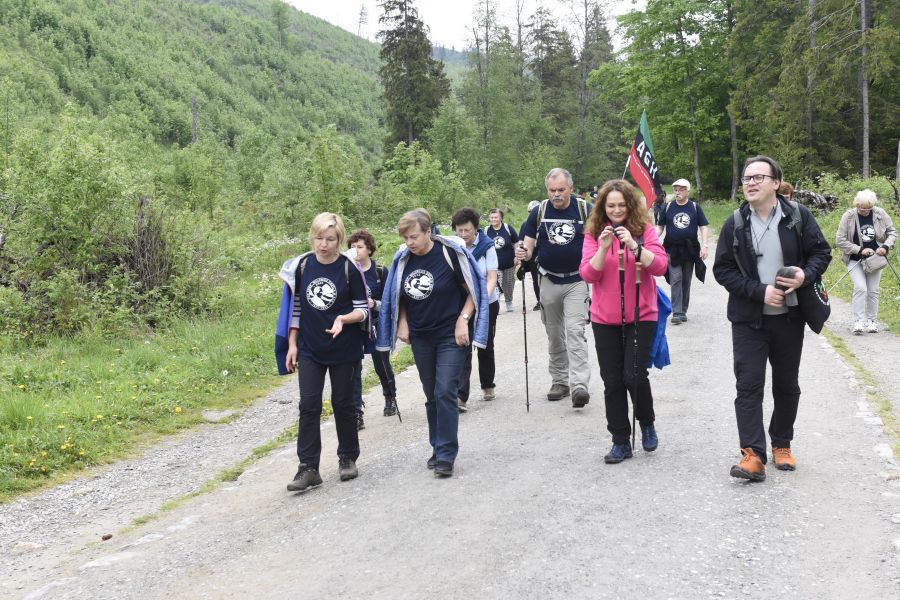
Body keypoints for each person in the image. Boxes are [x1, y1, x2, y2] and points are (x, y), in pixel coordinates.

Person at [713, 155, 831, 482]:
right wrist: (758, 291)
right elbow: (722, 270)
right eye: (746, 178)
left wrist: (804, 276)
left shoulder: (797, 216)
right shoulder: (735, 222)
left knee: (786, 384)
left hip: (789, 318)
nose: (750, 183)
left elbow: (822, 252)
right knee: (748, 385)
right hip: (749, 320)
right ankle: (752, 454)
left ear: (776, 183)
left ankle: (782, 443)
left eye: (758, 177)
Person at [376, 209, 488, 478]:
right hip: (421, 336)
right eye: (405, 237)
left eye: (414, 236)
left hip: (451, 334)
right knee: (431, 394)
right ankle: (437, 447)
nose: (409, 242)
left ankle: (447, 454)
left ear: (429, 232)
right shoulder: (403, 259)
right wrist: (401, 320)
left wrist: (464, 319)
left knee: (445, 390)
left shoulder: (450, 254)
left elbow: (473, 289)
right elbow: (397, 294)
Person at [280, 213, 369, 493]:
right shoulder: (303, 267)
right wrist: (292, 344)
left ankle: (347, 457)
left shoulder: (349, 268)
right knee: (308, 405)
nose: (323, 244)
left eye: (330, 239)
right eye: (318, 238)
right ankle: (308, 468)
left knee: (343, 403)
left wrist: (343, 319)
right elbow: (295, 310)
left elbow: (363, 309)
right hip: (310, 348)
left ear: (340, 240)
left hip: (344, 348)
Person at [580, 180, 668, 463]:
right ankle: (620, 440)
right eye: (610, 205)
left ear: (630, 205)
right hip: (605, 318)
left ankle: (647, 422)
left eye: (621, 204)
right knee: (613, 381)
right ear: (602, 207)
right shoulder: (594, 233)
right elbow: (588, 275)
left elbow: (660, 266)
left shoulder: (645, 231)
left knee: (634, 375)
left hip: (642, 315)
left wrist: (634, 245)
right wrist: (604, 249)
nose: (616, 210)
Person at [515, 168, 593, 408]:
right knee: (554, 334)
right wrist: (522, 252)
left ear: (570, 188)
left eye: (561, 190)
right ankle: (560, 381)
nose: (556, 195)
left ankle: (579, 384)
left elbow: (597, 241)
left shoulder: (585, 210)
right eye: (552, 190)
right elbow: (528, 245)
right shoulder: (539, 212)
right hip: (548, 279)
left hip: (577, 280)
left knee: (575, 331)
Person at [347, 229, 398, 420]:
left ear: (369, 249)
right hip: (354, 326)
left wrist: (373, 304)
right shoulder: (347, 271)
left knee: (381, 363)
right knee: (354, 368)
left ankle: (390, 397)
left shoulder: (379, 272)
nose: (355, 250)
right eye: (352, 247)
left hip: (377, 323)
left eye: (359, 247)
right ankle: (356, 412)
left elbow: (390, 302)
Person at [454, 207, 500, 408]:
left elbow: (491, 278)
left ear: (476, 229)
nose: (463, 235)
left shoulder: (487, 246)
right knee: (463, 345)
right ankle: (461, 397)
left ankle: (488, 383)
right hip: (463, 303)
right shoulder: (454, 246)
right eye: (460, 230)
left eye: (467, 230)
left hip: (487, 303)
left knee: (485, 344)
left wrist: (482, 299)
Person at [835, 189, 897, 334]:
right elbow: (840, 241)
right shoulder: (848, 216)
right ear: (857, 204)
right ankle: (858, 321)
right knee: (861, 288)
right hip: (855, 259)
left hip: (875, 259)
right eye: (861, 208)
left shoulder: (880, 214)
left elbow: (892, 233)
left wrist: (886, 246)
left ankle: (871, 321)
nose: (864, 211)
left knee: (873, 291)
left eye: (868, 208)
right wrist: (859, 249)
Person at [656, 178, 709, 324]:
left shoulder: (694, 207)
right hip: (672, 249)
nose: (677, 192)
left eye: (680, 189)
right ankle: (677, 312)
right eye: (676, 189)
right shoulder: (667, 207)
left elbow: (703, 226)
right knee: (676, 278)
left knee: (686, 280)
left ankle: (683, 310)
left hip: (690, 249)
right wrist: (652, 241)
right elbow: (660, 226)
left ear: (687, 191)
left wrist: (705, 245)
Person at [485, 208, 519, 313]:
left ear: (501, 218)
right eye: (492, 217)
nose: (494, 219)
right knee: (495, 284)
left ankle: (509, 301)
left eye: (496, 217)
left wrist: (517, 256)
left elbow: (516, 242)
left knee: (508, 284)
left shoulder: (508, 228)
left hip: (509, 262)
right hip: (494, 265)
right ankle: (496, 303)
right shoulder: (486, 230)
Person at [518, 200, 542, 311]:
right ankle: (539, 301)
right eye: (531, 212)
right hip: (532, 257)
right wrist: (521, 259)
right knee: (535, 279)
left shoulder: (545, 223)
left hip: (543, 255)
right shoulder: (525, 224)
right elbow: (521, 241)